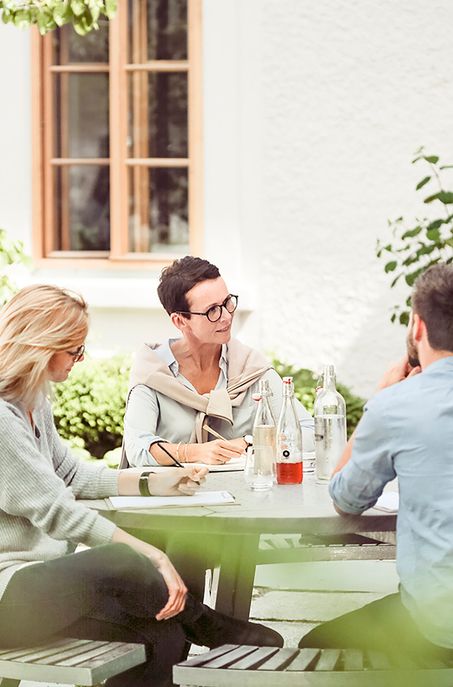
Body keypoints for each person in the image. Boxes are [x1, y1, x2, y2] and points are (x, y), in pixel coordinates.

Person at [0, 284, 283, 687]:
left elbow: (74, 476)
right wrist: (153, 557)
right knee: (119, 557)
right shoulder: (2, 419)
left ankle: (195, 626)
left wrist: (157, 481)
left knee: (162, 635)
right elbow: (57, 509)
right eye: (74, 350)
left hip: (43, 589)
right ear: (42, 346)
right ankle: (210, 626)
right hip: (8, 595)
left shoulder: (34, 403)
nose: (81, 360)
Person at [299, 263, 453, 663]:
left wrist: (380, 398)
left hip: (437, 628)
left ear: (417, 327)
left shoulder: (397, 406)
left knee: (314, 648)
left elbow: (344, 498)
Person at [123, 255, 314, 469]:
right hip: (175, 498)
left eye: (227, 302)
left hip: (247, 496)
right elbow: (137, 448)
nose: (226, 316)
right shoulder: (153, 373)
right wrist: (193, 452)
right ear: (180, 320)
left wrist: (250, 443)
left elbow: (308, 431)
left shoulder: (250, 368)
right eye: (212, 310)